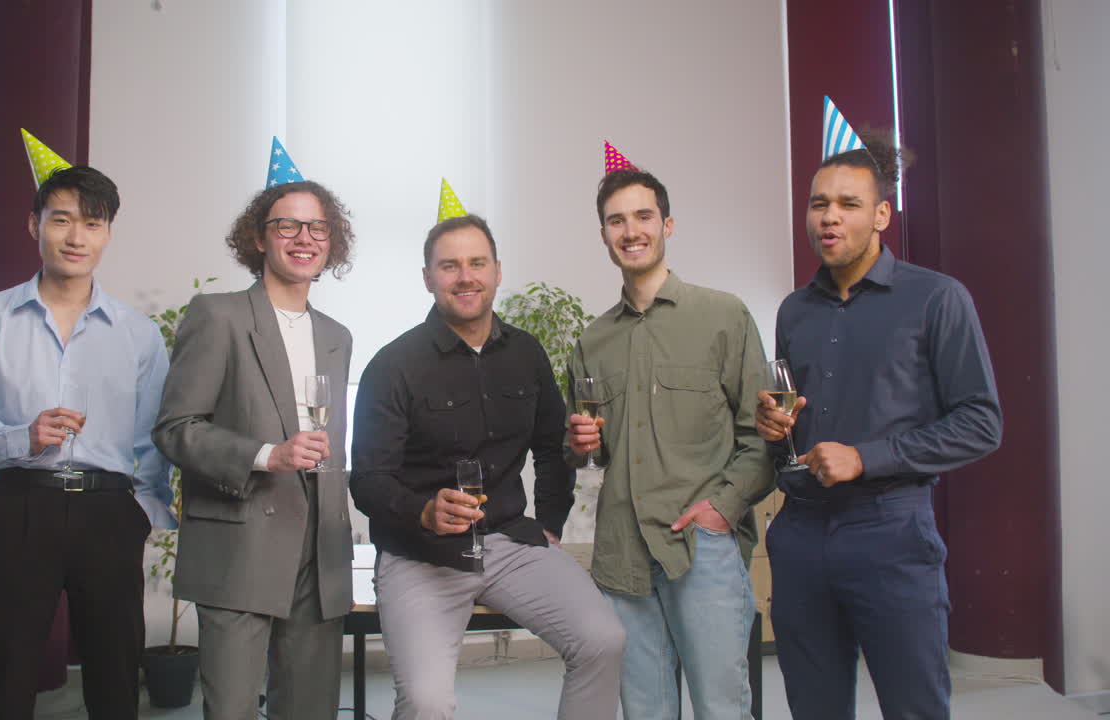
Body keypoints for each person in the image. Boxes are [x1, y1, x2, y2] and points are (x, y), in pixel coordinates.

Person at [754, 130, 1002, 719]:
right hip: (801, 532)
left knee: (913, 707)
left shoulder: (937, 299)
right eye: (819, 204)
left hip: (890, 533)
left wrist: (868, 457)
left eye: (848, 204)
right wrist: (775, 427)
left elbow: (981, 422)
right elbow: (794, 423)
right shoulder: (795, 310)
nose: (829, 218)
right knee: (814, 708)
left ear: (882, 214)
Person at [350, 212, 625, 720]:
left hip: (510, 544)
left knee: (603, 641)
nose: (466, 276)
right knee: (427, 703)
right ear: (428, 278)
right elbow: (366, 481)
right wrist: (423, 511)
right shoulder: (392, 365)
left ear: (498, 271)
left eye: (477, 263)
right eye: (450, 266)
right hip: (419, 556)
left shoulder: (526, 353)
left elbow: (551, 447)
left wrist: (548, 525)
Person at [0, 163, 174, 720]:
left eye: (92, 223)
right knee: (1, 673)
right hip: (20, 506)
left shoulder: (138, 334)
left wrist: (143, 512)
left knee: (114, 677)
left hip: (110, 513)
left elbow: (152, 438)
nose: (76, 236)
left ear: (108, 233)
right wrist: (21, 438)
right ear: (33, 224)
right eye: (60, 220)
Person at [566, 166, 773, 720]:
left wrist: (720, 511)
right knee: (644, 711)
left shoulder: (723, 316)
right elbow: (592, 452)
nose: (630, 230)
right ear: (604, 234)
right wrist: (580, 443)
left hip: (699, 546)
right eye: (616, 220)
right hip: (623, 554)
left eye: (643, 216)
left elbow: (763, 437)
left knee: (721, 707)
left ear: (667, 224)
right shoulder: (592, 341)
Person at [153, 175, 356, 720]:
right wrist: (269, 455)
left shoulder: (337, 335)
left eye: (317, 226)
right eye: (286, 224)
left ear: (331, 242)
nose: (303, 237)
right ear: (259, 238)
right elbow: (176, 428)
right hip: (241, 538)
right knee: (233, 710)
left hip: (319, 547)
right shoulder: (217, 315)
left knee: (310, 709)